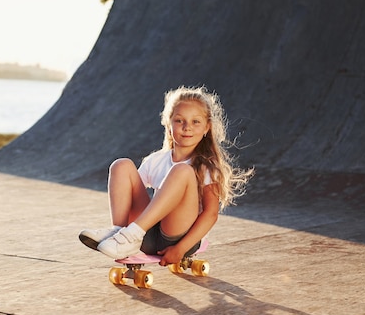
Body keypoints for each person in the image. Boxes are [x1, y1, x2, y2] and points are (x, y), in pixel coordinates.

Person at [79, 85, 254, 265]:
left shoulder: (206, 166)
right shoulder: (156, 160)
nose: (187, 127)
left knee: (183, 171)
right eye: (179, 121)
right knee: (121, 165)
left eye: (195, 122)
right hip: (146, 236)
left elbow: (211, 214)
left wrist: (181, 248)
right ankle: (120, 233)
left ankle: (131, 234)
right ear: (168, 124)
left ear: (206, 128)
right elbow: (129, 192)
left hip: (178, 237)